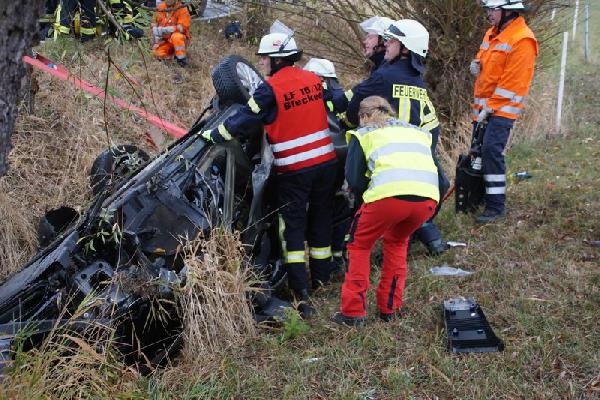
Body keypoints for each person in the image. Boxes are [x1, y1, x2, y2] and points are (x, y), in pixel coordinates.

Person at [201, 33, 338, 318]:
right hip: (326, 165)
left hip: (295, 171)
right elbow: (334, 105)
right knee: (321, 219)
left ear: (276, 58)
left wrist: (212, 135)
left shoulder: (269, 89)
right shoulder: (314, 80)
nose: (260, 62)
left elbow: (244, 121)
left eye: (264, 57)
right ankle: (324, 278)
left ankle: (300, 290)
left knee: (292, 230)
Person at [344, 19, 449, 255]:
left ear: (405, 49)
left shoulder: (383, 76)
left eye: (392, 41)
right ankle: (420, 236)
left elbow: (353, 109)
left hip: (388, 159)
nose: (387, 44)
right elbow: (431, 124)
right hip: (420, 158)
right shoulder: (417, 81)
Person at [334, 96, 439, 326]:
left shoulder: (363, 134)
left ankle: (353, 313)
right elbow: (441, 177)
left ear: (363, 116)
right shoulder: (418, 132)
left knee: (359, 245)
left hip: (387, 197)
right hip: (426, 199)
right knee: (397, 243)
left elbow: (354, 179)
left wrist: (365, 200)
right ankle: (390, 308)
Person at [470, 0, 538, 223]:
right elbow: (488, 63)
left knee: (491, 152)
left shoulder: (523, 39)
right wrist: (477, 63)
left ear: (508, 11)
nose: (488, 14)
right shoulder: (492, 33)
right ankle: (476, 198)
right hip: (483, 108)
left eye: (492, 9)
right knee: (477, 152)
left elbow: (513, 82)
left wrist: (491, 107)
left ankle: (496, 207)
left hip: (502, 109)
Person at [304, 58, 352, 274]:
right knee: (341, 209)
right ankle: (338, 257)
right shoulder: (343, 97)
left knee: (322, 210)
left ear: (319, 78)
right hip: (344, 161)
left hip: (322, 160)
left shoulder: (316, 95)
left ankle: (324, 266)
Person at [152, 0, 191, 67]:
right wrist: (156, 39)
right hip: (165, 40)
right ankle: (171, 56)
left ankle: (181, 60)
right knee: (157, 53)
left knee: (176, 37)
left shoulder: (182, 9)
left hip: (180, 39)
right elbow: (153, 22)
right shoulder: (160, 7)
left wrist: (165, 30)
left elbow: (182, 28)